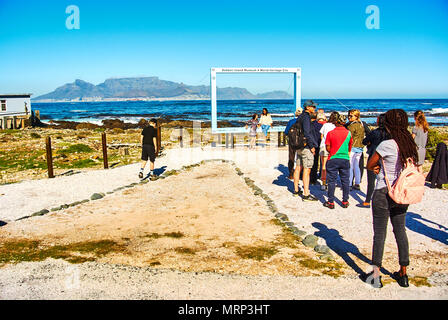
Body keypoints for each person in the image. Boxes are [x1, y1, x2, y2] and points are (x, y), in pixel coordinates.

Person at [363, 109, 419, 289]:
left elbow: (369, 164)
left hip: (383, 191)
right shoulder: (410, 144)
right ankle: (403, 273)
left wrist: (378, 168)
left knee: (380, 234)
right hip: (402, 192)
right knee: (400, 231)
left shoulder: (387, 144)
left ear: (388, 124)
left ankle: (376, 275)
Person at [323, 113, 353, 209]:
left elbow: (327, 147)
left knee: (331, 180)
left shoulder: (330, 133)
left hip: (333, 158)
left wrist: (332, 151)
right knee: (345, 180)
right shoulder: (348, 133)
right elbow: (349, 146)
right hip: (344, 158)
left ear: (336, 122)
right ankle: (345, 200)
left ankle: (331, 201)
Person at [293, 100, 319, 201]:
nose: (314, 109)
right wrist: (312, 146)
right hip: (305, 146)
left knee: (298, 167)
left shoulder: (300, 116)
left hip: (298, 145)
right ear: (308, 107)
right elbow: (307, 133)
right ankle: (306, 194)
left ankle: (296, 190)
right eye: (313, 107)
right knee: (307, 170)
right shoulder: (307, 117)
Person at [361, 114, 389, 207]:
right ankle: (384, 199)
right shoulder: (389, 133)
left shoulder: (375, 132)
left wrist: (370, 142)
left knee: (371, 180)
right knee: (385, 179)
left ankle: (368, 200)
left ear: (378, 122)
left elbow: (364, 141)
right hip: (386, 157)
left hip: (374, 156)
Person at [319, 112, 338, 191]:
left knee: (324, 166)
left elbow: (321, 135)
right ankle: (331, 182)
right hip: (333, 146)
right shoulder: (335, 126)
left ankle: (323, 183)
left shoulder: (325, 125)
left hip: (323, 145)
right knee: (333, 166)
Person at [347, 109, 365, 190]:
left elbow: (348, 137)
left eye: (351, 116)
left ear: (356, 116)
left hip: (353, 147)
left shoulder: (352, 126)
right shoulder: (361, 124)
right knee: (356, 166)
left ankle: (349, 184)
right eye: (348, 115)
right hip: (360, 147)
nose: (349, 117)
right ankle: (357, 183)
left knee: (350, 166)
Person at [284, 108, 302, 179]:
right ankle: (300, 173)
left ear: (295, 114)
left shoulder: (291, 121)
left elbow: (286, 132)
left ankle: (291, 174)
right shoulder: (303, 122)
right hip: (301, 142)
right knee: (300, 158)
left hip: (292, 142)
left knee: (291, 157)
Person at [310, 112, 323, 185]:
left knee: (307, 162)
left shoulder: (307, 125)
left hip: (309, 144)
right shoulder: (320, 125)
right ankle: (313, 178)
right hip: (317, 144)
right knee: (315, 162)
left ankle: (309, 177)